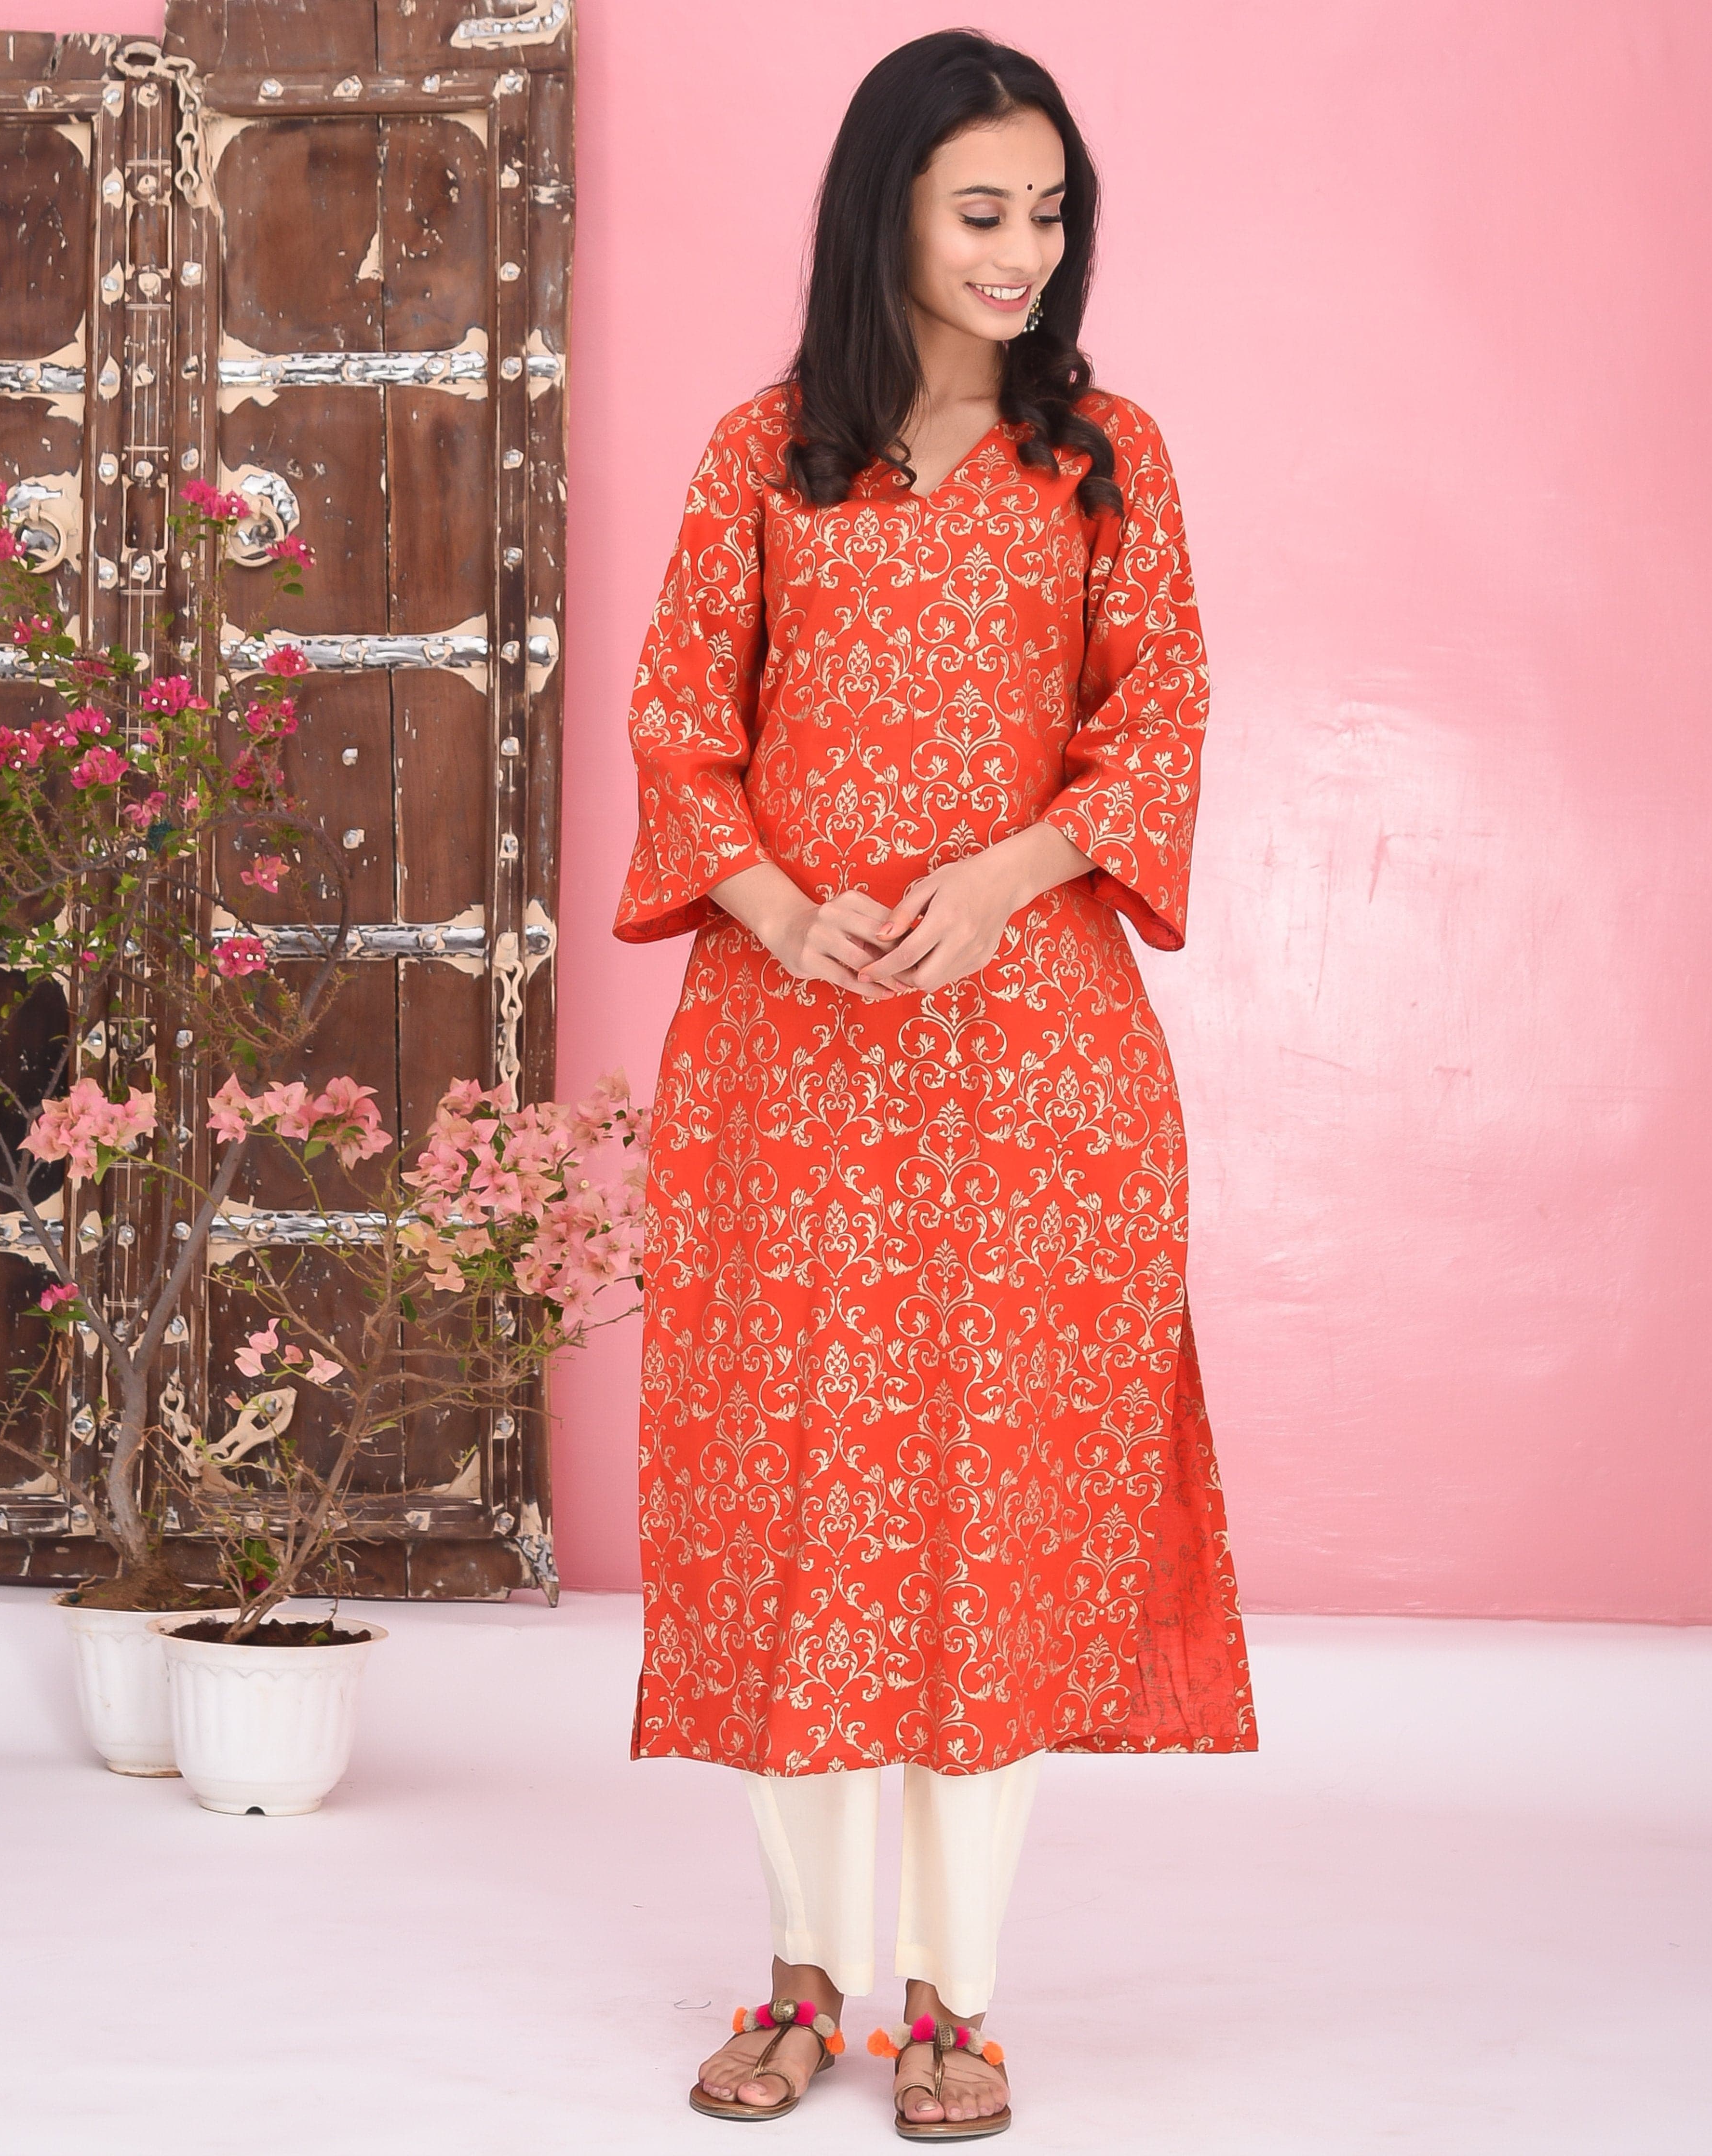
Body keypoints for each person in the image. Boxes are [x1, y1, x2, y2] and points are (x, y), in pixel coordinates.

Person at [614, 28, 1255, 2141]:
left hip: (1036, 1061)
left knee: (991, 1516)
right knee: (803, 1505)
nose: (1022, 251)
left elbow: (1155, 722)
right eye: (982, 209)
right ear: (882, 206)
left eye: (1049, 214)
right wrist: (779, 909)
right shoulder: (765, 454)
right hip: (789, 1053)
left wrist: (997, 880)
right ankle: (799, 1975)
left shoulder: (1104, 460)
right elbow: (678, 727)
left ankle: (956, 2001)